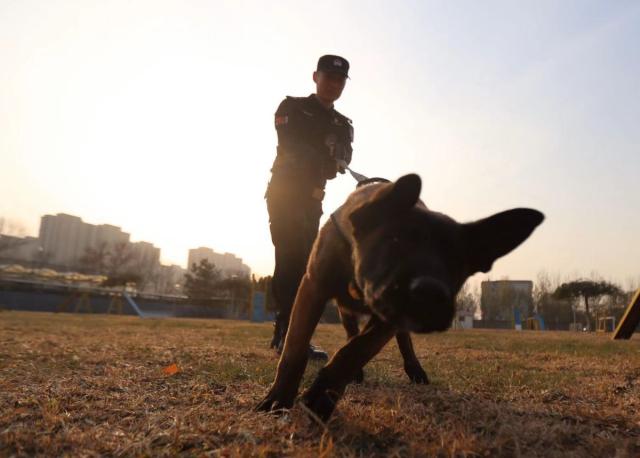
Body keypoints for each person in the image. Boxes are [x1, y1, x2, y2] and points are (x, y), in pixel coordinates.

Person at [266, 55, 353, 360]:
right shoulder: (292, 107)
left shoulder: (342, 124)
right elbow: (291, 145)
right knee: (290, 259)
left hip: (313, 201)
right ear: (315, 77)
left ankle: (295, 334)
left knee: (306, 265)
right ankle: (286, 335)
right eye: (328, 77)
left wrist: (335, 157)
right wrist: (324, 155)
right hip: (285, 194)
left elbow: (340, 163)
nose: (333, 84)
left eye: (340, 81)